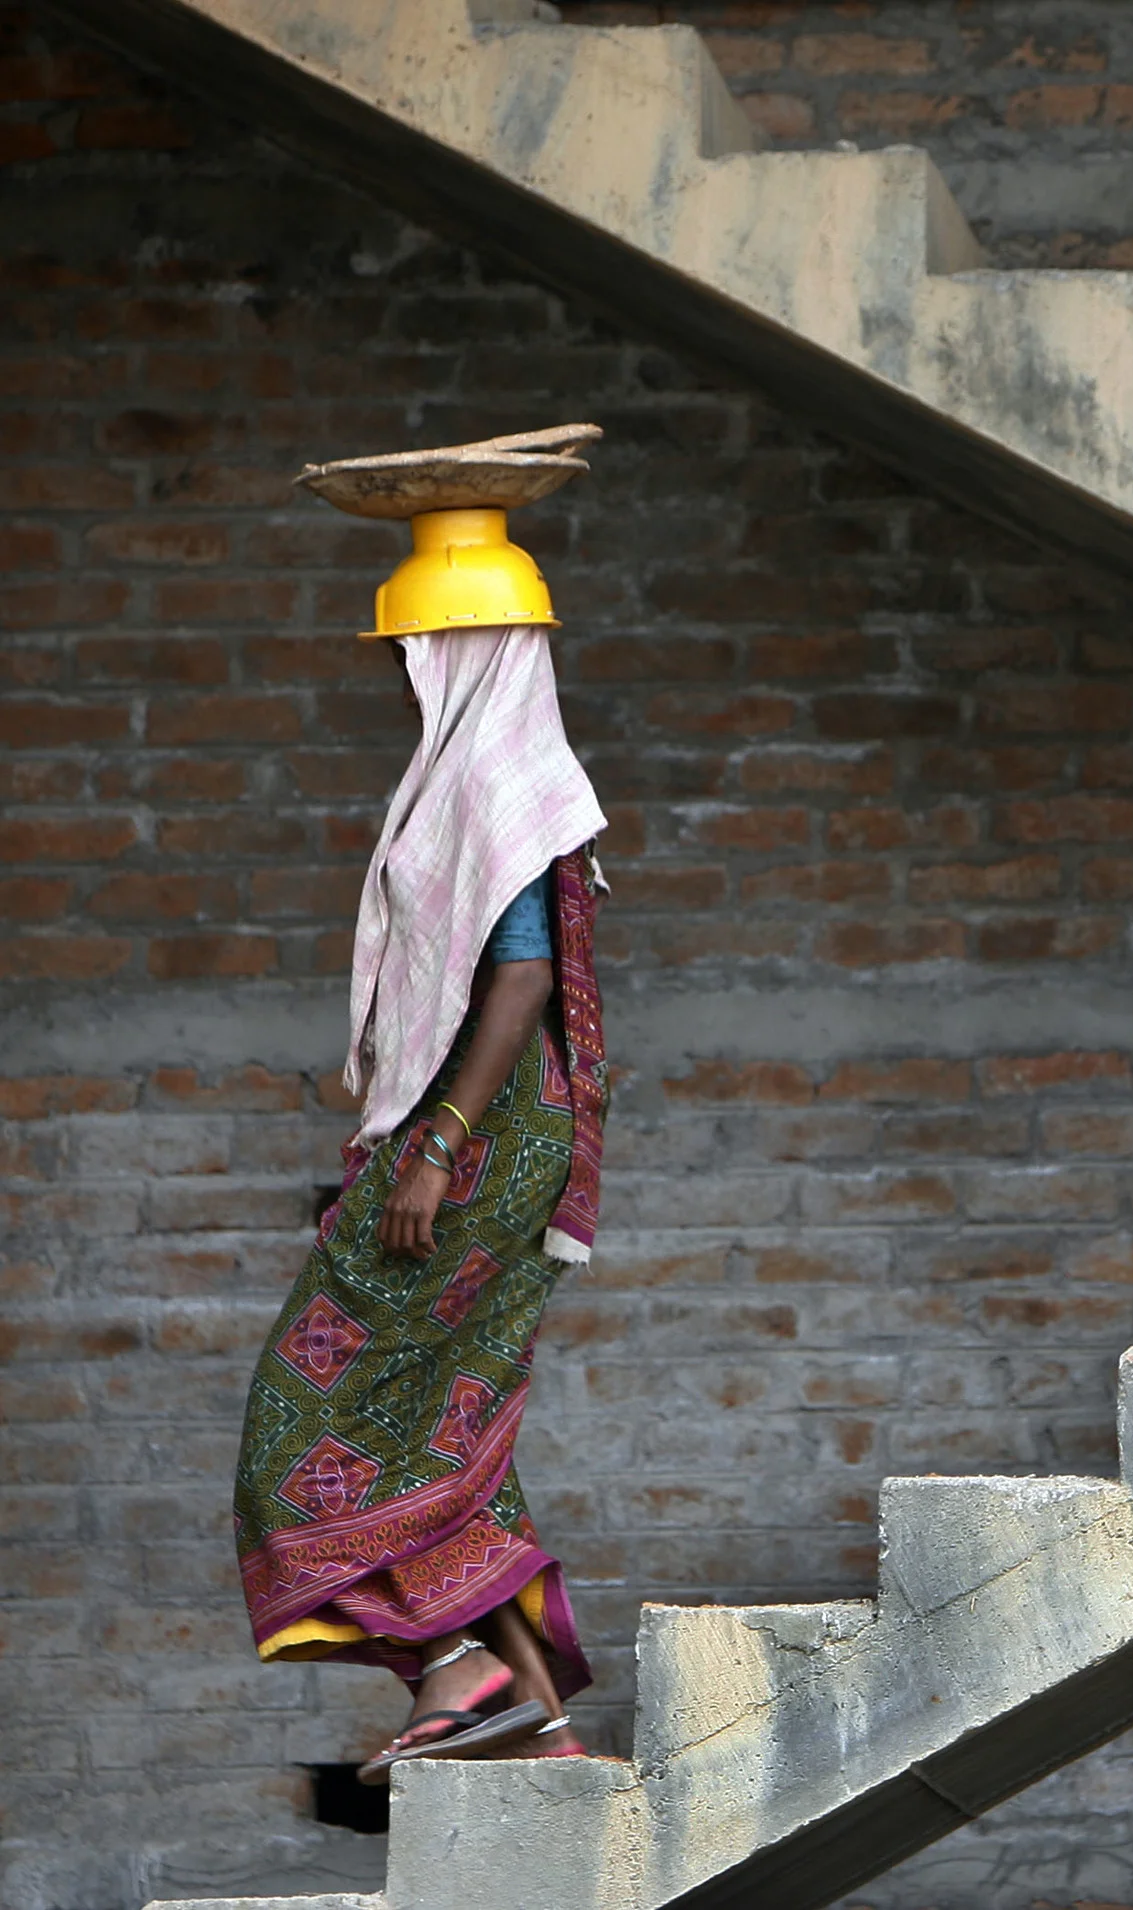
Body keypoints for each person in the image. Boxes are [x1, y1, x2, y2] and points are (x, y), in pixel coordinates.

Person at [233, 435, 610, 1784]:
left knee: (305, 1411)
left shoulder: (498, 782)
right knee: (448, 1418)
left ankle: (457, 1670)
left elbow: (515, 974)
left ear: (466, 655)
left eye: (416, 653)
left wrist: (434, 1147)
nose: (404, 675)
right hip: (498, 1128)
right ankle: (531, 1721)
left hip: (482, 1138)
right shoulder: (492, 774)